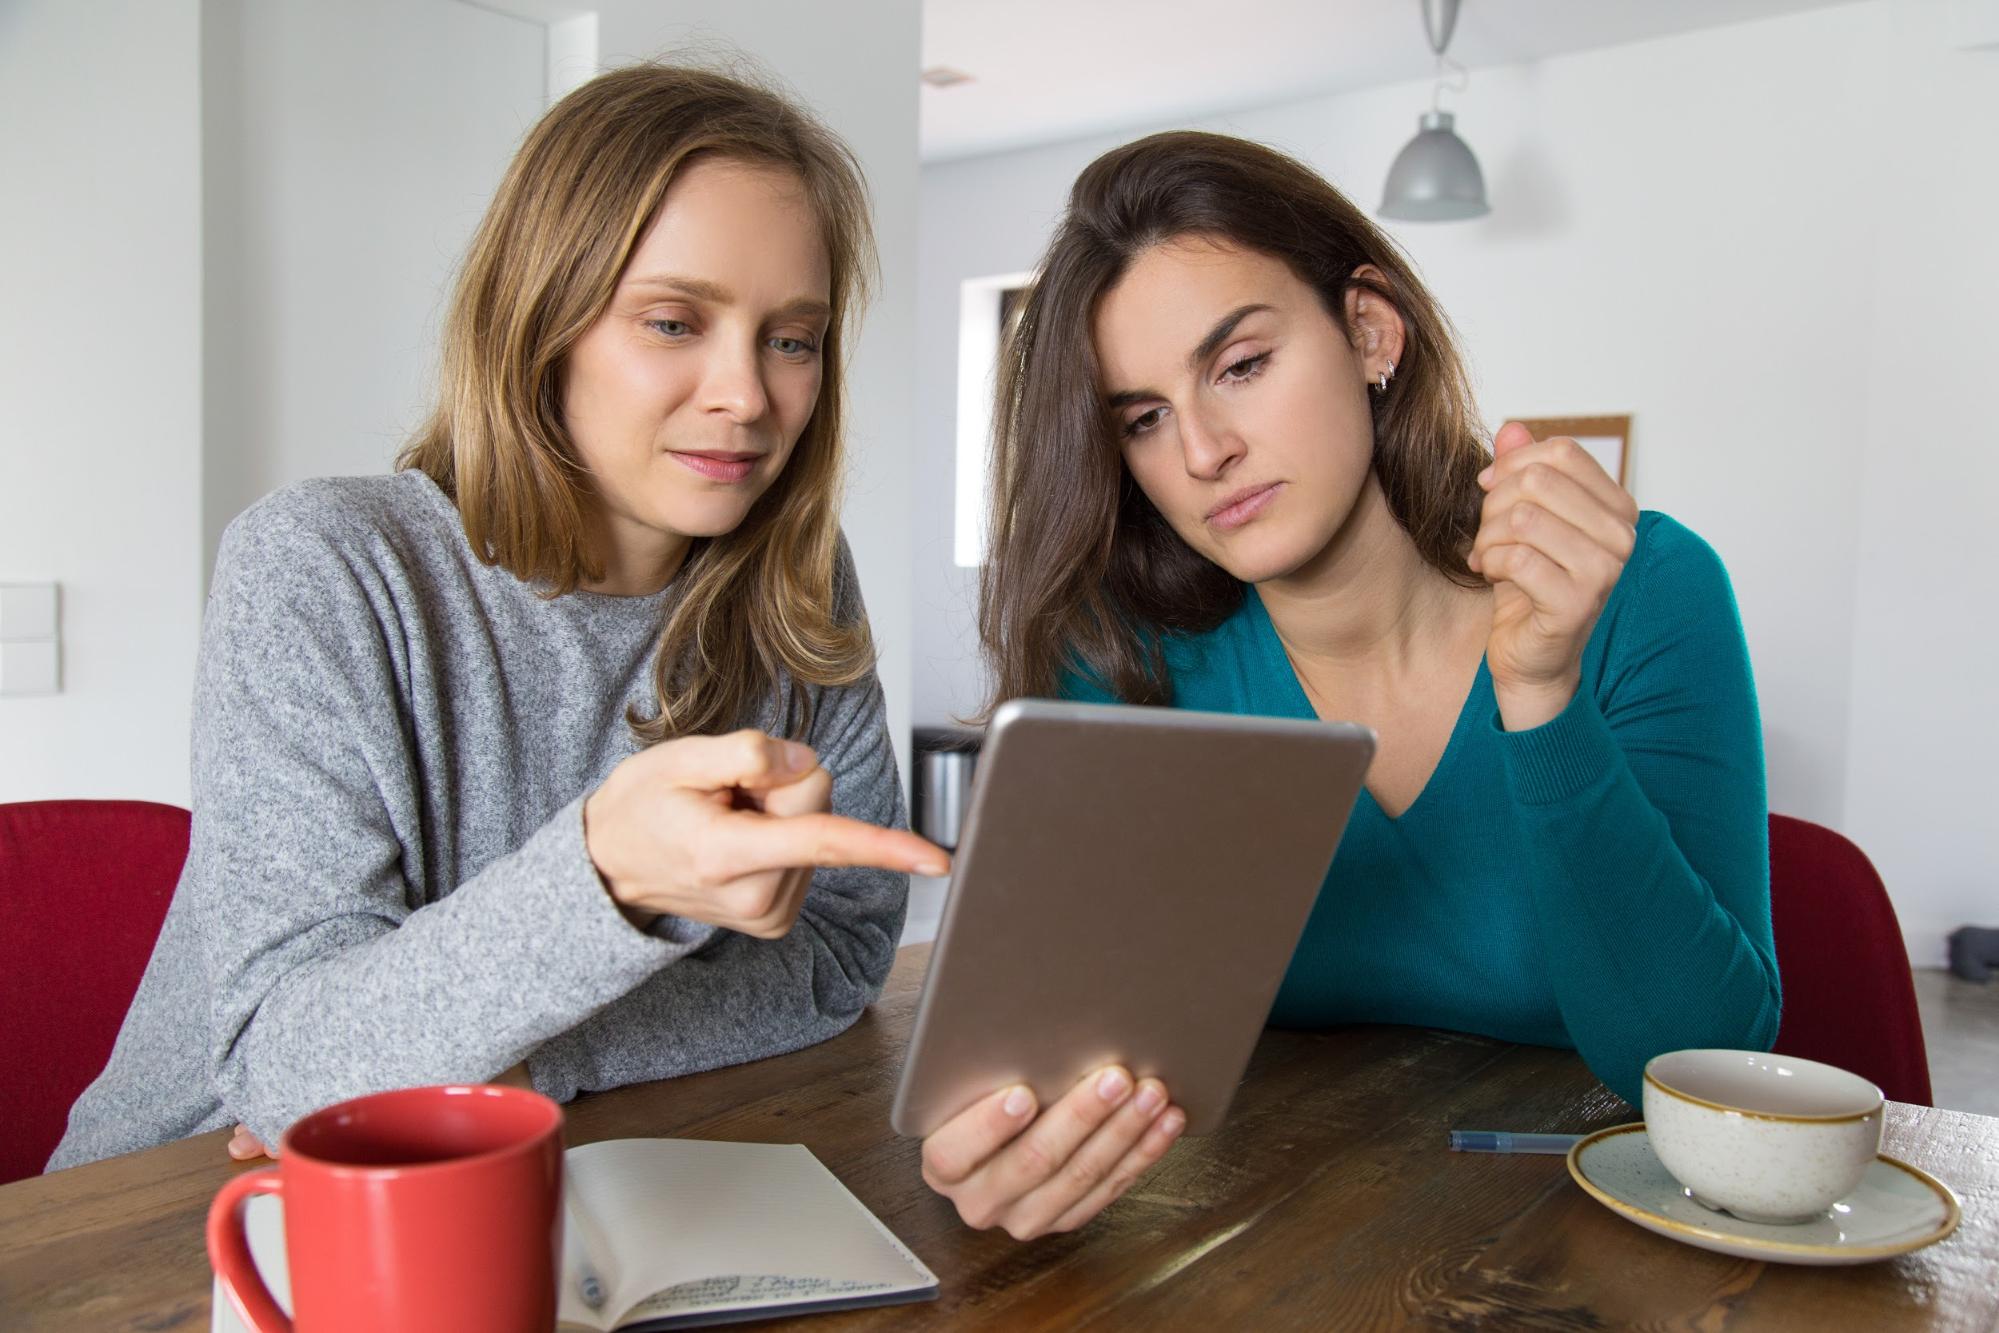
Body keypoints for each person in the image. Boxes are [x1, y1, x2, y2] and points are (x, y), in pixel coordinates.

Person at [48, 63, 948, 1171]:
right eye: (673, 321)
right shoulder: (325, 565)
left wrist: (520, 1057)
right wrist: (604, 879)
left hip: (562, 1156)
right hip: (184, 1199)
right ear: (540, 323)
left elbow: (845, 950)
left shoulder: (797, 582)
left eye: (792, 339)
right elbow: (285, 1072)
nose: (748, 395)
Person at [919, 130, 1778, 1239]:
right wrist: (1005, 1137)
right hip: (1259, 1239)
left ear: (1368, 330)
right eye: (1142, 418)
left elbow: (1704, 1066)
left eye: (1239, 366)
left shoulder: (1644, 590)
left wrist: (1539, 693)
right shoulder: (1120, 661)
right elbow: (1048, 1052)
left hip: (1591, 1242)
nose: (1202, 451)